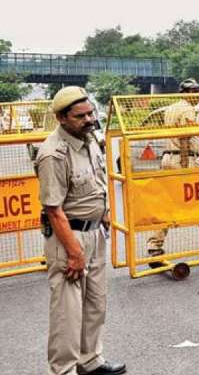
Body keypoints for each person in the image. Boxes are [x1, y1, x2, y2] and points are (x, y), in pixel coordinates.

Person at [36, 86, 126, 375]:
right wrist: (74, 252)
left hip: (94, 233)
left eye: (90, 113)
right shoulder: (54, 154)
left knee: (95, 302)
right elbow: (54, 209)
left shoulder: (88, 140)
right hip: (69, 238)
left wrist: (106, 214)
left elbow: (97, 182)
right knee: (68, 312)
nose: (89, 119)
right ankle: (64, 370)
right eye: (80, 116)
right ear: (62, 118)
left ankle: (90, 360)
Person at [146, 79, 199, 260]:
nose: (198, 94)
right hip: (182, 159)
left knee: (195, 199)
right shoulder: (186, 109)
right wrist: (185, 166)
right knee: (180, 201)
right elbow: (185, 137)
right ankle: (155, 243)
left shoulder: (171, 108)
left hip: (169, 157)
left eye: (198, 90)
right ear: (185, 93)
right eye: (193, 91)